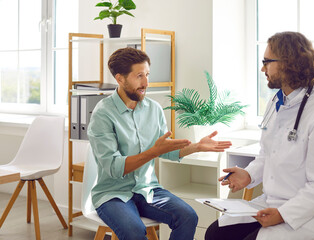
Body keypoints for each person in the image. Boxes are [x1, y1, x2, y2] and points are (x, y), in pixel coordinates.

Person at [205, 31, 314, 240]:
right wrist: (248, 175)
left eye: (267, 62)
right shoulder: (277, 102)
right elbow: (267, 155)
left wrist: (283, 214)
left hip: (311, 215)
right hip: (273, 204)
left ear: (287, 63)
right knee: (216, 234)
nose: (263, 68)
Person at [87, 47, 232, 240]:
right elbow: (113, 168)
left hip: (148, 190)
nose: (146, 82)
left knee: (188, 216)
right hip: (112, 194)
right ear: (120, 79)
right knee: (133, 231)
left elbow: (166, 150)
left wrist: (196, 146)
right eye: (139, 76)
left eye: (147, 75)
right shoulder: (103, 113)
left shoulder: (153, 109)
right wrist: (153, 152)